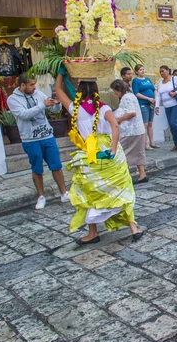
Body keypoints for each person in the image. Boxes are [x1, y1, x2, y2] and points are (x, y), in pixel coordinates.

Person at [54, 76, 143, 244]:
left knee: (89, 191)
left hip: (90, 152)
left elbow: (58, 90)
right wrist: (114, 149)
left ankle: (93, 233)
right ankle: (133, 228)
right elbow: (115, 126)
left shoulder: (75, 108)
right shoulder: (104, 108)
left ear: (79, 91)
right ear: (96, 90)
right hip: (109, 150)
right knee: (122, 188)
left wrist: (60, 74)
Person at [7, 72, 69, 209]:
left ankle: (64, 193)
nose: (34, 87)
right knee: (37, 168)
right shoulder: (12, 99)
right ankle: (41, 196)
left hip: (47, 136)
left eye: (34, 84)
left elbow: (52, 110)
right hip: (30, 140)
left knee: (56, 165)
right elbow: (23, 114)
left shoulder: (38, 94)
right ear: (22, 85)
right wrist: (43, 105)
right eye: (31, 85)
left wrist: (56, 104)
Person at [111, 79, 148, 184]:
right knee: (138, 152)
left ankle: (125, 176)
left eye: (115, 91)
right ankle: (142, 174)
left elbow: (131, 113)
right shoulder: (131, 95)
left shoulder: (126, 98)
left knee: (122, 153)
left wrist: (118, 120)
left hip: (130, 131)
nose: (115, 93)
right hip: (138, 129)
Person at [156, 66, 177, 151]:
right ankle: (176, 144)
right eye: (160, 72)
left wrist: (175, 93)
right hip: (167, 106)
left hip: (176, 104)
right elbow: (159, 95)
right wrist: (157, 106)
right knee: (172, 125)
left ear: (167, 71)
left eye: (163, 71)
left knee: (174, 122)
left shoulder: (174, 79)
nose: (161, 73)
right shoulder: (161, 83)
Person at [130, 65, 159, 150]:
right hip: (143, 104)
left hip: (151, 104)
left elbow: (154, 90)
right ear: (136, 72)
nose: (142, 71)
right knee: (145, 124)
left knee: (150, 123)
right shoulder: (136, 81)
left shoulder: (147, 79)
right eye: (140, 70)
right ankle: (146, 144)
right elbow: (136, 93)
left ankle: (152, 142)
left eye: (143, 69)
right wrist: (148, 98)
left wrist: (155, 98)